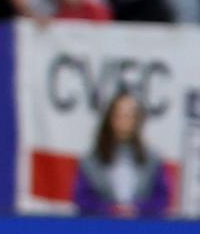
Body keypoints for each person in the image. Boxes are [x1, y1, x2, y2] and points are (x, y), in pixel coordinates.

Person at [74, 90, 173, 219]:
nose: (125, 121)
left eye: (130, 116)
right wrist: (109, 210)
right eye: (120, 115)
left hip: (142, 231)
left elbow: (162, 198)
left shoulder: (152, 159)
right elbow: (82, 199)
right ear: (110, 118)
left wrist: (138, 209)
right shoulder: (91, 161)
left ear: (138, 120)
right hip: (101, 229)